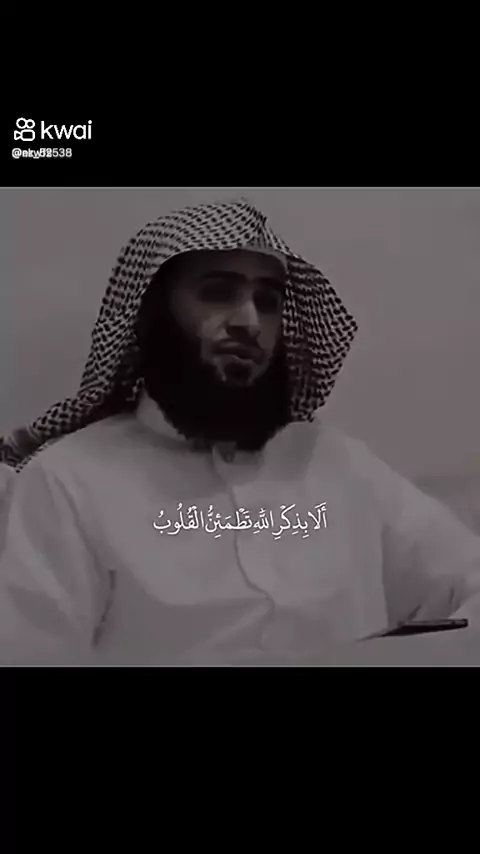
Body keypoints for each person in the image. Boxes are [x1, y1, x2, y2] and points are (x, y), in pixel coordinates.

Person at [1, 199, 480, 665]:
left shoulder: (338, 465)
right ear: (152, 314)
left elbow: (468, 580)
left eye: (267, 301)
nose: (250, 322)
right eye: (217, 293)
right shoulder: (68, 483)